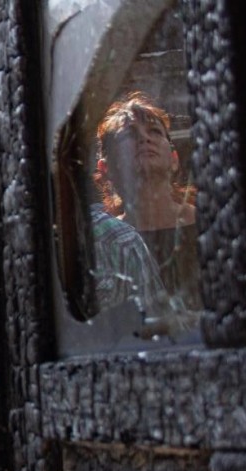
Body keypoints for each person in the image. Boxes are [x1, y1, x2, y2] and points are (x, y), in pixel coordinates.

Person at [92, 91, 201, 335]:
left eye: (155, 132)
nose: (144, 138)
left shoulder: (208, 226)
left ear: (174, 159)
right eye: (129, 135)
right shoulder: (103, 243)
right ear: (105, 167)